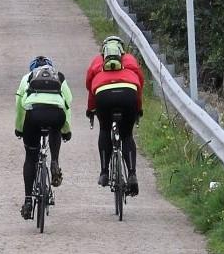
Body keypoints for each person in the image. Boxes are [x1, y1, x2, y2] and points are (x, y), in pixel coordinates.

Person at [85, 35, 144, 196]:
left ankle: (104, 172)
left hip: (103, 95)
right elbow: (139, 85)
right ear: (121, 49)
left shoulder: (98, 61)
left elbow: (90, 87)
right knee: (126, 135)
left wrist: (90, 109)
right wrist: (138, 108)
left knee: (104, 130)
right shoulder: (130, 59)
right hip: (128, 94)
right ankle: (131, 173)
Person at [15, 55, 72, 220]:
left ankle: (27, 201)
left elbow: (19, 106)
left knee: (30, 157)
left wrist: (19, 128)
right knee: (55, 128)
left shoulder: (27, 78)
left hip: (34, 115)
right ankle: (54, 161)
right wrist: (66, 129)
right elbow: (66, 103)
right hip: (56, 115)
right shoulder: (59, 77)